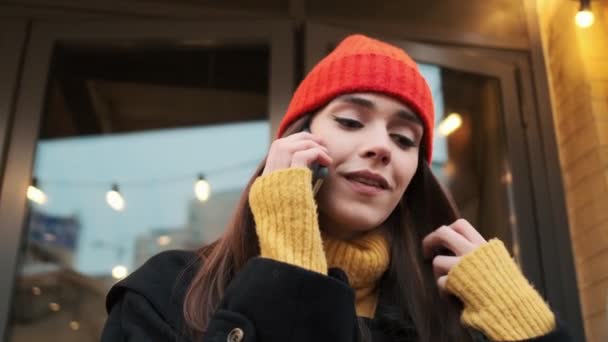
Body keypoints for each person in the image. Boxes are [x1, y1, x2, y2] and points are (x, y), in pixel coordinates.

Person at [101, 34, 572, 342]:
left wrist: (522, 322)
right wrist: (289, 260)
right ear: (295, 140)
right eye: (350, 120)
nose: (381, 147)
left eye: (404, 138)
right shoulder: (165, 292)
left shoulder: (448, 316)